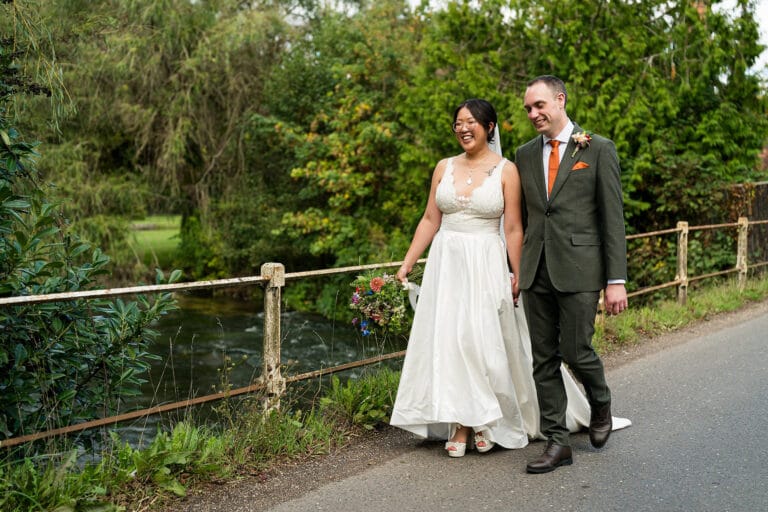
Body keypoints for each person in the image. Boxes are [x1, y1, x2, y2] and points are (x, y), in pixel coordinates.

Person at [389, 98, 626, 458]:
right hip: (446, 265)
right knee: (450, 341)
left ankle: (483, 420)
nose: (463, 129)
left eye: (471, 122)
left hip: (485, 264)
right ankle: (462, 422)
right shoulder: (443, 167)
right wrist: (408, 263)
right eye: (458, 124)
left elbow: (514, 228)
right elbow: (429, 220)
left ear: (489, 128)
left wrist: (517, 272)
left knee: (479, 341)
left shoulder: (508, 169)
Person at [515, 75, 629, 473]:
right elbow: (524, 218)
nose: (533, 114)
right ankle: (557, 442)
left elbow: (612, 220)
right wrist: (516, 269)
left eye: (540, 105)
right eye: (528, 108)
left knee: (577, 349)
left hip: (581, 268)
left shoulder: (597, 149)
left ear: (560, 100)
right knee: (542, 359)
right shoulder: (524, 154)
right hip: (535, 269)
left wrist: (616, 280)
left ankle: (601, 401)